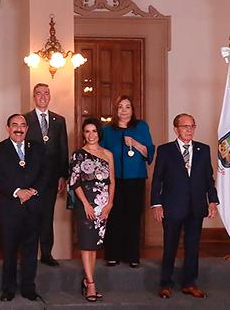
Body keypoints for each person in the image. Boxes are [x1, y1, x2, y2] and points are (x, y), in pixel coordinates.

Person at [151, 113, 219, 299]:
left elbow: (208, 178)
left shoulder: (203, 150)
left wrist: (212, 201)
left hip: (196, 205)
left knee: (192, 246)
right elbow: (157, 179)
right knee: (170, 246)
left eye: (192, 126)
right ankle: (166, 283)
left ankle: (189, 283)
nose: (189, 130)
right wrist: (156, 204)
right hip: (172, 205)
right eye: (185, 127)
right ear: (176, 130)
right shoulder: (165, 150)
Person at [0, 114, 46, 302]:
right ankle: (9, 289)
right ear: (7, 128)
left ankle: (29, 288)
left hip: (33, 207)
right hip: (10, 208)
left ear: (27, 128)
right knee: (9, 251)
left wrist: (31, 191)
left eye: (23, 125)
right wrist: (17, 192)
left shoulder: (38, 148)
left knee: (30, 251)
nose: (19, 129)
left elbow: (45, 173)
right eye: (15, 125)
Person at [100, 95, 155, 268]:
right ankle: (113, 255)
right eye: (120, 107)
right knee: (114, 216)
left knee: (133, 216)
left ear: (133, 110)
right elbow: (100, 152)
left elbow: (149, 152)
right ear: (115, 110)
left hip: (135, 178)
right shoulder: (107, 129)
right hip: (113, 179)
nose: (124, 110)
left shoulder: (141, 127)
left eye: (127, 107)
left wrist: (135, 144)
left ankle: (132, 255)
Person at [68, 117, 115, 302]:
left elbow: (112, 181)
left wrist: (109, 204)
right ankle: (91, 283)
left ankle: (88, 280)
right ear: (83, 134)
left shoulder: (108, 154)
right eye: (87, 131)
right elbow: (74, 182)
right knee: (86, 244)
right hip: (85, 204)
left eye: (94, 131)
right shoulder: (78, 155)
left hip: (103, 204)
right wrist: (86, 204)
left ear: (99, 133)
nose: (91, 135)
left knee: (94, 245)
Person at [23, 83, 69, 267]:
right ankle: (29, 253)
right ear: (34, 97)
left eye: (46, 93)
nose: (42, 96)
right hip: (31, 177)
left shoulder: (59, 120)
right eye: (39, 93)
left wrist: (63, 176)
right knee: (30, 215)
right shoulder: (25, 119)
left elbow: (63, 149)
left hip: (52, 178)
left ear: (50, 97)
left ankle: (47, 253)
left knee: (47, 216)